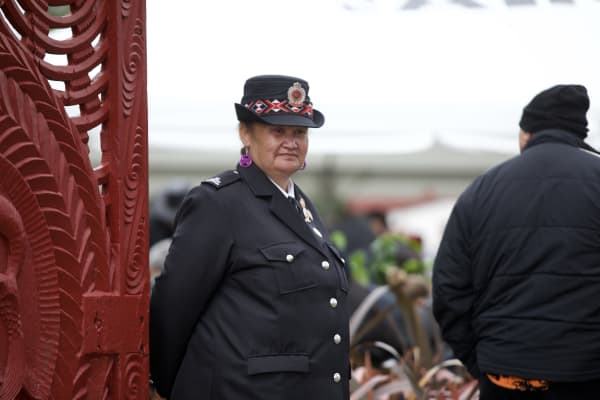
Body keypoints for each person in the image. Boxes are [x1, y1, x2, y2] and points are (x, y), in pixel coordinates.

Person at [150, 75, 350, 400]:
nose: (291, 141)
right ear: (245, 133)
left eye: (299, 132)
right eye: (277, 131)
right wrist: (178, 386)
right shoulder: (217, 203)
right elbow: (172, 309)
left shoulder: (302, 206)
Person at [432, 84, 600, 399]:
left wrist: (482, 362)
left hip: (507, 376)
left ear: (526, 134)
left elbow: (448, 290)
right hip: (589, 376)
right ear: (580, 134)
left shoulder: (481, 191)